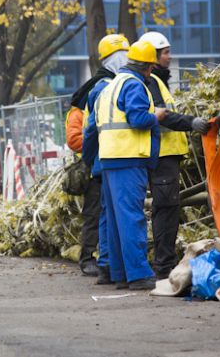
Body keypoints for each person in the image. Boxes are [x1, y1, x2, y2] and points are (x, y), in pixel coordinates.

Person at [90, 40, 167, 291]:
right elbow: (137, 119)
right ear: (147, 68)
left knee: (115, 221)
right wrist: (156, 116)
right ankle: (138, 274)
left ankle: (120, 273)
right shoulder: (133, 85)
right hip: (129, 158)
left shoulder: (111, 86)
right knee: (132, 219)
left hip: (110, 159)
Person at [138, 32, 210, 279]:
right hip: (163, 155)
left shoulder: (156, 81)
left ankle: (163, 263)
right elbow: (162, 117)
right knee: (166, 210)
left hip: (166, 155)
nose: (170, 57)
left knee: (166, 209)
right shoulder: (152, 82)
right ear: (153, 56)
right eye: (165, 52)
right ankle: (164, 266)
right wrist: (192, 122)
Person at [66, 34, 130, 277]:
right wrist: (102, 141)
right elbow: (75, 138)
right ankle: (87, 258)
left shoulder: (113, 84)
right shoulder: (95, 91)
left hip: (108, 158)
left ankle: (105, 258)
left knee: (103, 212)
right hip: (97, 162)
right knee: (94, 213)